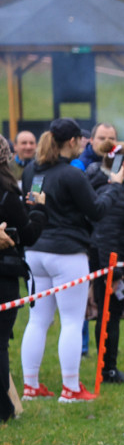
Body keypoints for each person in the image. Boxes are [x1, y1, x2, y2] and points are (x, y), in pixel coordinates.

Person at [20, 119, 123, 403]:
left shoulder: (31, 171)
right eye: (81, 139)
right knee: (71, 321)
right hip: (67, 253)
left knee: (38, 320)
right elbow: (96, 210)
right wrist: (114, 186)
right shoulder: (72, 175)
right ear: (72, 141)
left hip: (35, 251)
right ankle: (70, 388)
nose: (84, 143)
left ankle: (31, 386)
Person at [85, 138, 124, 383]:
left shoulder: (114, 188)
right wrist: (113, 272)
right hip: (111, 265)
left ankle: (109, 366)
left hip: (117, 262)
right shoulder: (110, 191)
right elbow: (106, 234)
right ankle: (108, 370)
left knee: (112, 312)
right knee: (108, 314)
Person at [0, 138, 46, 421]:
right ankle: (4, 409)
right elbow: (28, 234)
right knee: (0, 342)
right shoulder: (7, 194)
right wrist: (38, 208)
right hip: (3, 274)